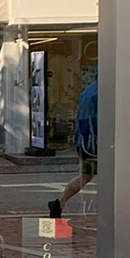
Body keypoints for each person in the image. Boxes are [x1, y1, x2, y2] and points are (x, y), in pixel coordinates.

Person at [48, 80, 97, 218]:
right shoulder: (105, 91)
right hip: (96, 143)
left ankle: (60, 202)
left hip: (85, 142)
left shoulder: (89, 90)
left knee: (85, 176)